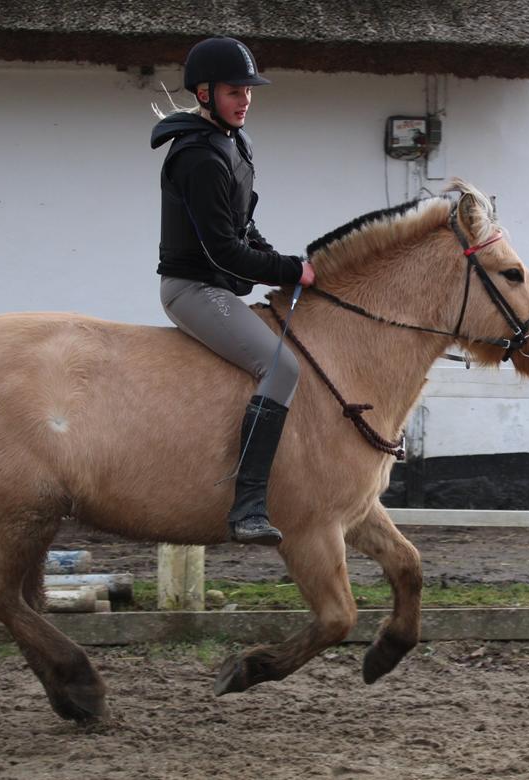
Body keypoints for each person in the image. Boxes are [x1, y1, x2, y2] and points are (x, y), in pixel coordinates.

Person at [151, 36, 314, 546]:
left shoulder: (232, 143)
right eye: (233, 90)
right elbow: (224, 251)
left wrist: (290, 266)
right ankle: (247, 506)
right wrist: (287, 268)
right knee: (282, 365)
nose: (245, 98)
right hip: (194, 288)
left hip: (217, 284)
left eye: (248, 89)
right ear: (204, 93)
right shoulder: (199, 155)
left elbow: (246, 228)